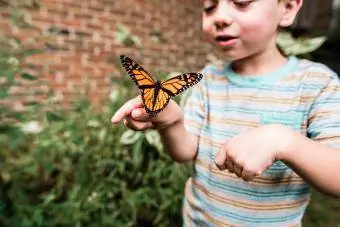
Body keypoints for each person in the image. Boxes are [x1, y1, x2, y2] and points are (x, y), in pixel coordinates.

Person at [111, 0, 340, 225]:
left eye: (241, 3)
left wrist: (285, 142)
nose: (219, 17)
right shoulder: (207, 80)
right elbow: (185, 152)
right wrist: (171, 121)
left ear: (287, 8)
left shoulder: (317, 83)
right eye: (209, 7)